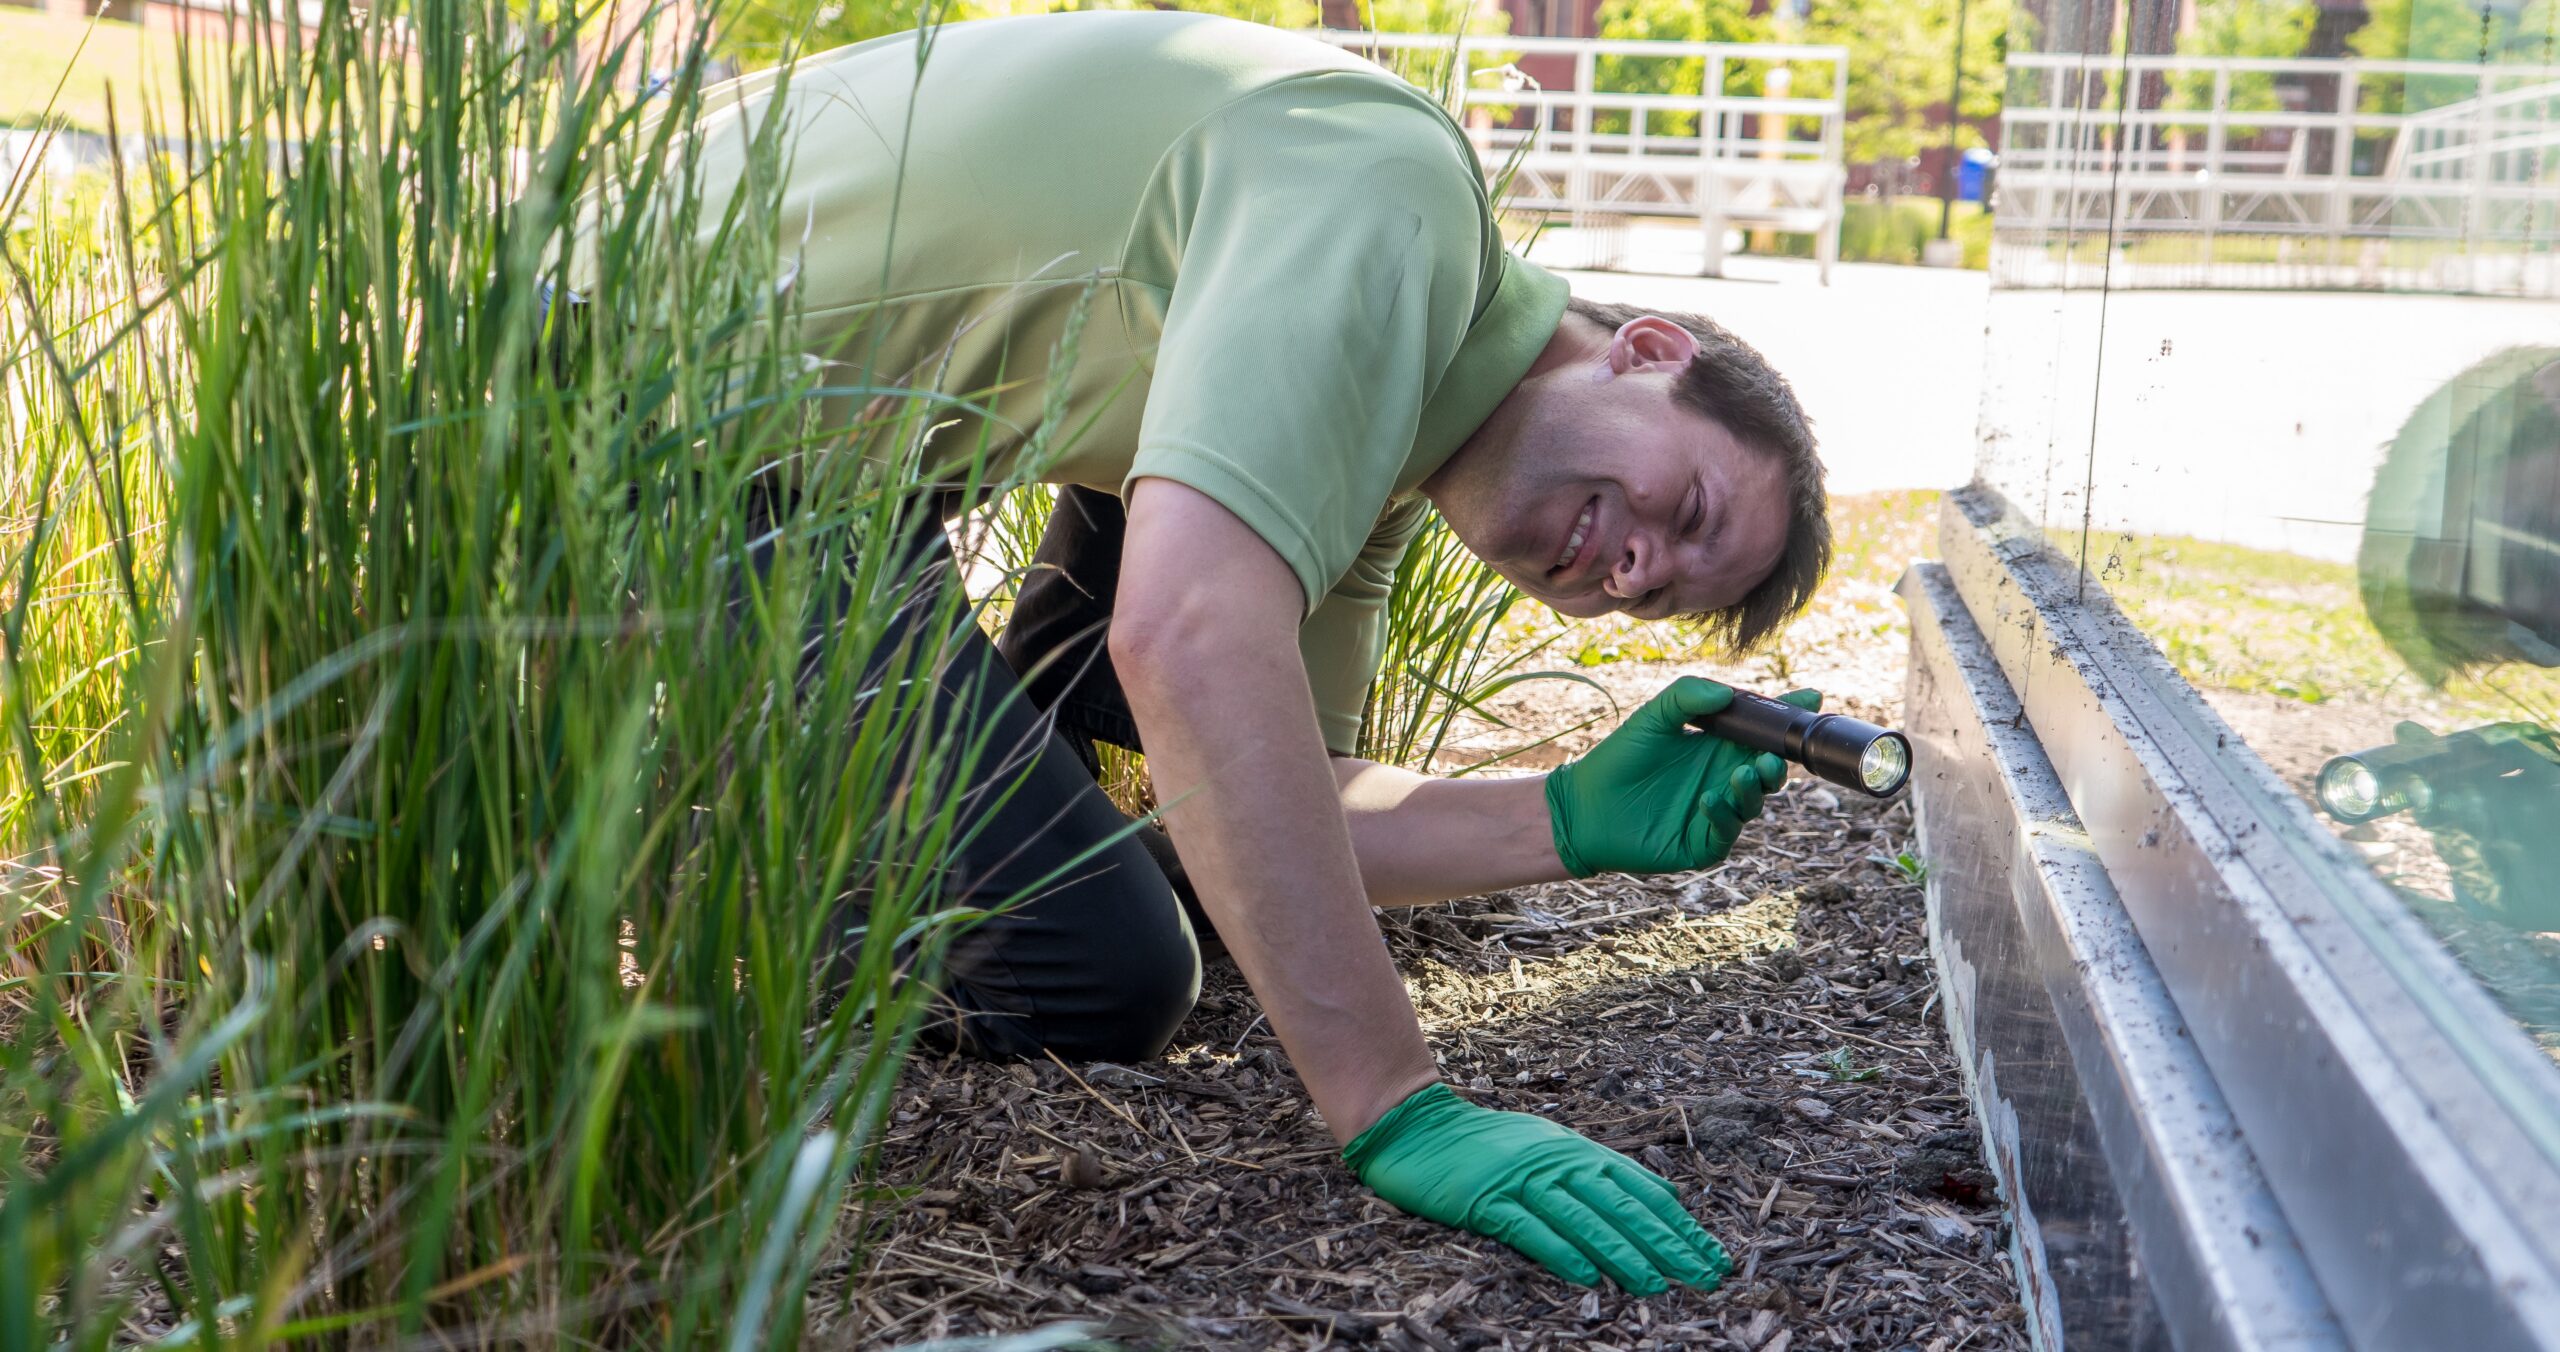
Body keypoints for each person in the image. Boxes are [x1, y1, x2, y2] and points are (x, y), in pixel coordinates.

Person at [647, 10, 1831, 1297]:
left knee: (1216, 671)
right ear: (1649, 352)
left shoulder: (1387, 442)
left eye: (1650, 597)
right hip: (639, 397)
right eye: (1691, 507)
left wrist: (1557, 816)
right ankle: (701, 871)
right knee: (1099, 977)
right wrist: (1397, 1099)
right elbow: (1188, 641)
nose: (1638, 565)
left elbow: (1275, 789)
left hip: (818, 459)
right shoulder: (1392, 194)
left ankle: (1015, 845)